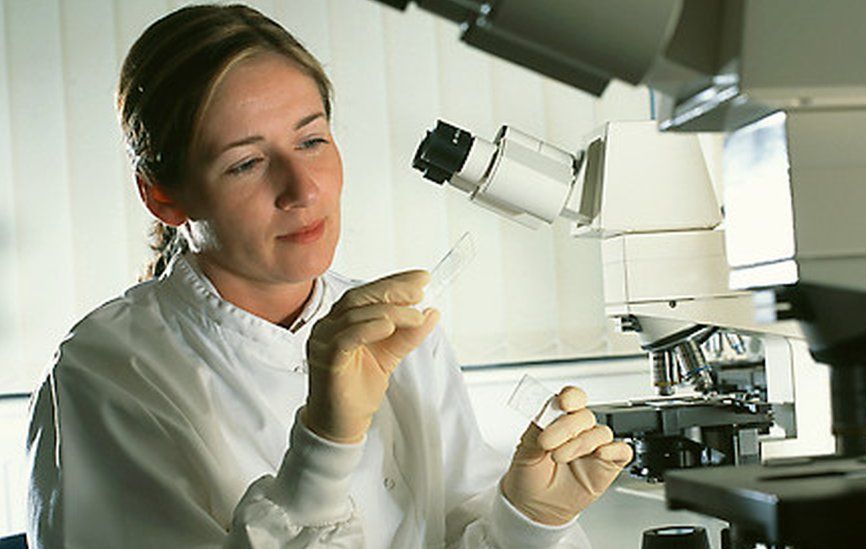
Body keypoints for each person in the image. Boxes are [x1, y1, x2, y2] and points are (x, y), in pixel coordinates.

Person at [26, 4, 632, 548]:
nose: (304, 188)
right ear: (163, 197)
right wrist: (323, 444)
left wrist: (526, 520)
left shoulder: (395, 329)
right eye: (246, 163)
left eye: (312, 140)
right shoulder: (105, 372)